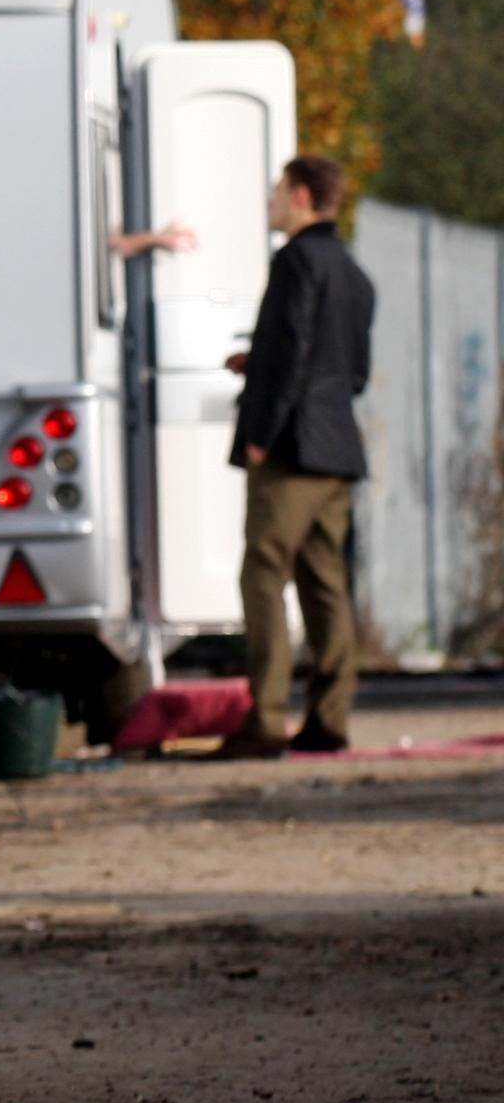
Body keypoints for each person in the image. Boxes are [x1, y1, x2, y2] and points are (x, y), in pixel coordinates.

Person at [217, 153, 373, 758]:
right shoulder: (355, 275)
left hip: (290, 450)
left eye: (277, 191)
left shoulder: (294, 262)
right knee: (326, 583)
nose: (270, 203)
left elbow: (292, 353)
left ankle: (264, 721)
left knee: (262, 574)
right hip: (337, 448)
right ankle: (330, 720)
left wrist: (261, 429)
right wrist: (259, 365)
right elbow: (349, 372)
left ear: (302, 196)